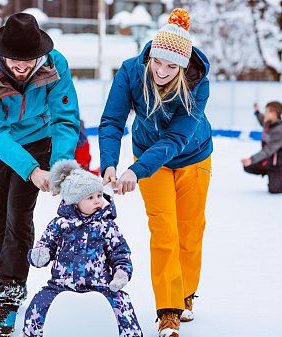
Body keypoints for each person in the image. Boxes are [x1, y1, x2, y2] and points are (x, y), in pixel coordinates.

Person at [98, 8, 213, 337]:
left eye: (171, 66)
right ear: (150, 56)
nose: (162, 70)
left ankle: (185, 294)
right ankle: (169, 310)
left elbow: (177, 136)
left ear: (182, 66)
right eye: (157, 62)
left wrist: (136, 170)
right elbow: (112, 121)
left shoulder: (197, 83)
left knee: (189, 233)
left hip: (193, 156)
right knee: (164, 232)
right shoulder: (132, 72)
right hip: (148, 158)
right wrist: (109, 162)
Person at [0, 13, 80, 336]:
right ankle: (12, 271)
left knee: (18, 216)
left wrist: (58, 166)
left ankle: (10, 293)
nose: (21, 67)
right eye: (14, 61)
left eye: (28, 61)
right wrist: (30, 170)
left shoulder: (55, 65)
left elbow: (65, 118)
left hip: (38, 141)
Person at [22, 160, 142, 337]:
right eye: (90, 197)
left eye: (99, 195)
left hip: (100, 285)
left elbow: (120, 252)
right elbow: (45, 245)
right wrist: (41, 255)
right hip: (61, 285)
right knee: (39, 305)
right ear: (75, 201)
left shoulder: (106, 226)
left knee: (121, 304)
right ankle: (30, 334)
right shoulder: (60, 224)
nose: (98, 201)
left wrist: (121, 273)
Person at [242, 101, 282, 193]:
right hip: (268, 160)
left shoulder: (280, 130)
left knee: (274, 189)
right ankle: (269, 173)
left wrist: (252, 159)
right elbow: (261, 120)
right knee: (247, 167)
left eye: (267, 112)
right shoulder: (268, 122)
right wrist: (256, 111)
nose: (265, 114)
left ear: (275, 113)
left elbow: (268, 150)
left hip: (278, 165)